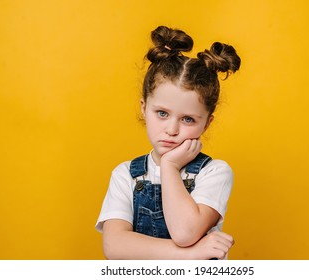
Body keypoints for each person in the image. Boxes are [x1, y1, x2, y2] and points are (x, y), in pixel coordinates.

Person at [95, 25, 241, 259]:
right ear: (144, 108)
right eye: (162, 113)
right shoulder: (126, 175)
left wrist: (170, 166)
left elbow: (185, 232)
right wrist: (191, 254)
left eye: (188, 119)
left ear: (207, 123)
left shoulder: (214, 173)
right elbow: (115, 247)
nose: (172, 130)